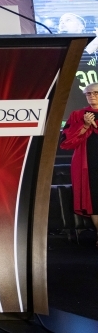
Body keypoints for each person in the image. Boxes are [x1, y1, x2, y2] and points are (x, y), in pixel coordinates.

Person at [60, 82, 98, 244]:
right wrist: (85, 125)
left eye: (95, 93)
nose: (92, 96)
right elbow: (66, 143)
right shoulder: (77, 115)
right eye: (88, 94)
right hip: (88, 163)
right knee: (95, 199)